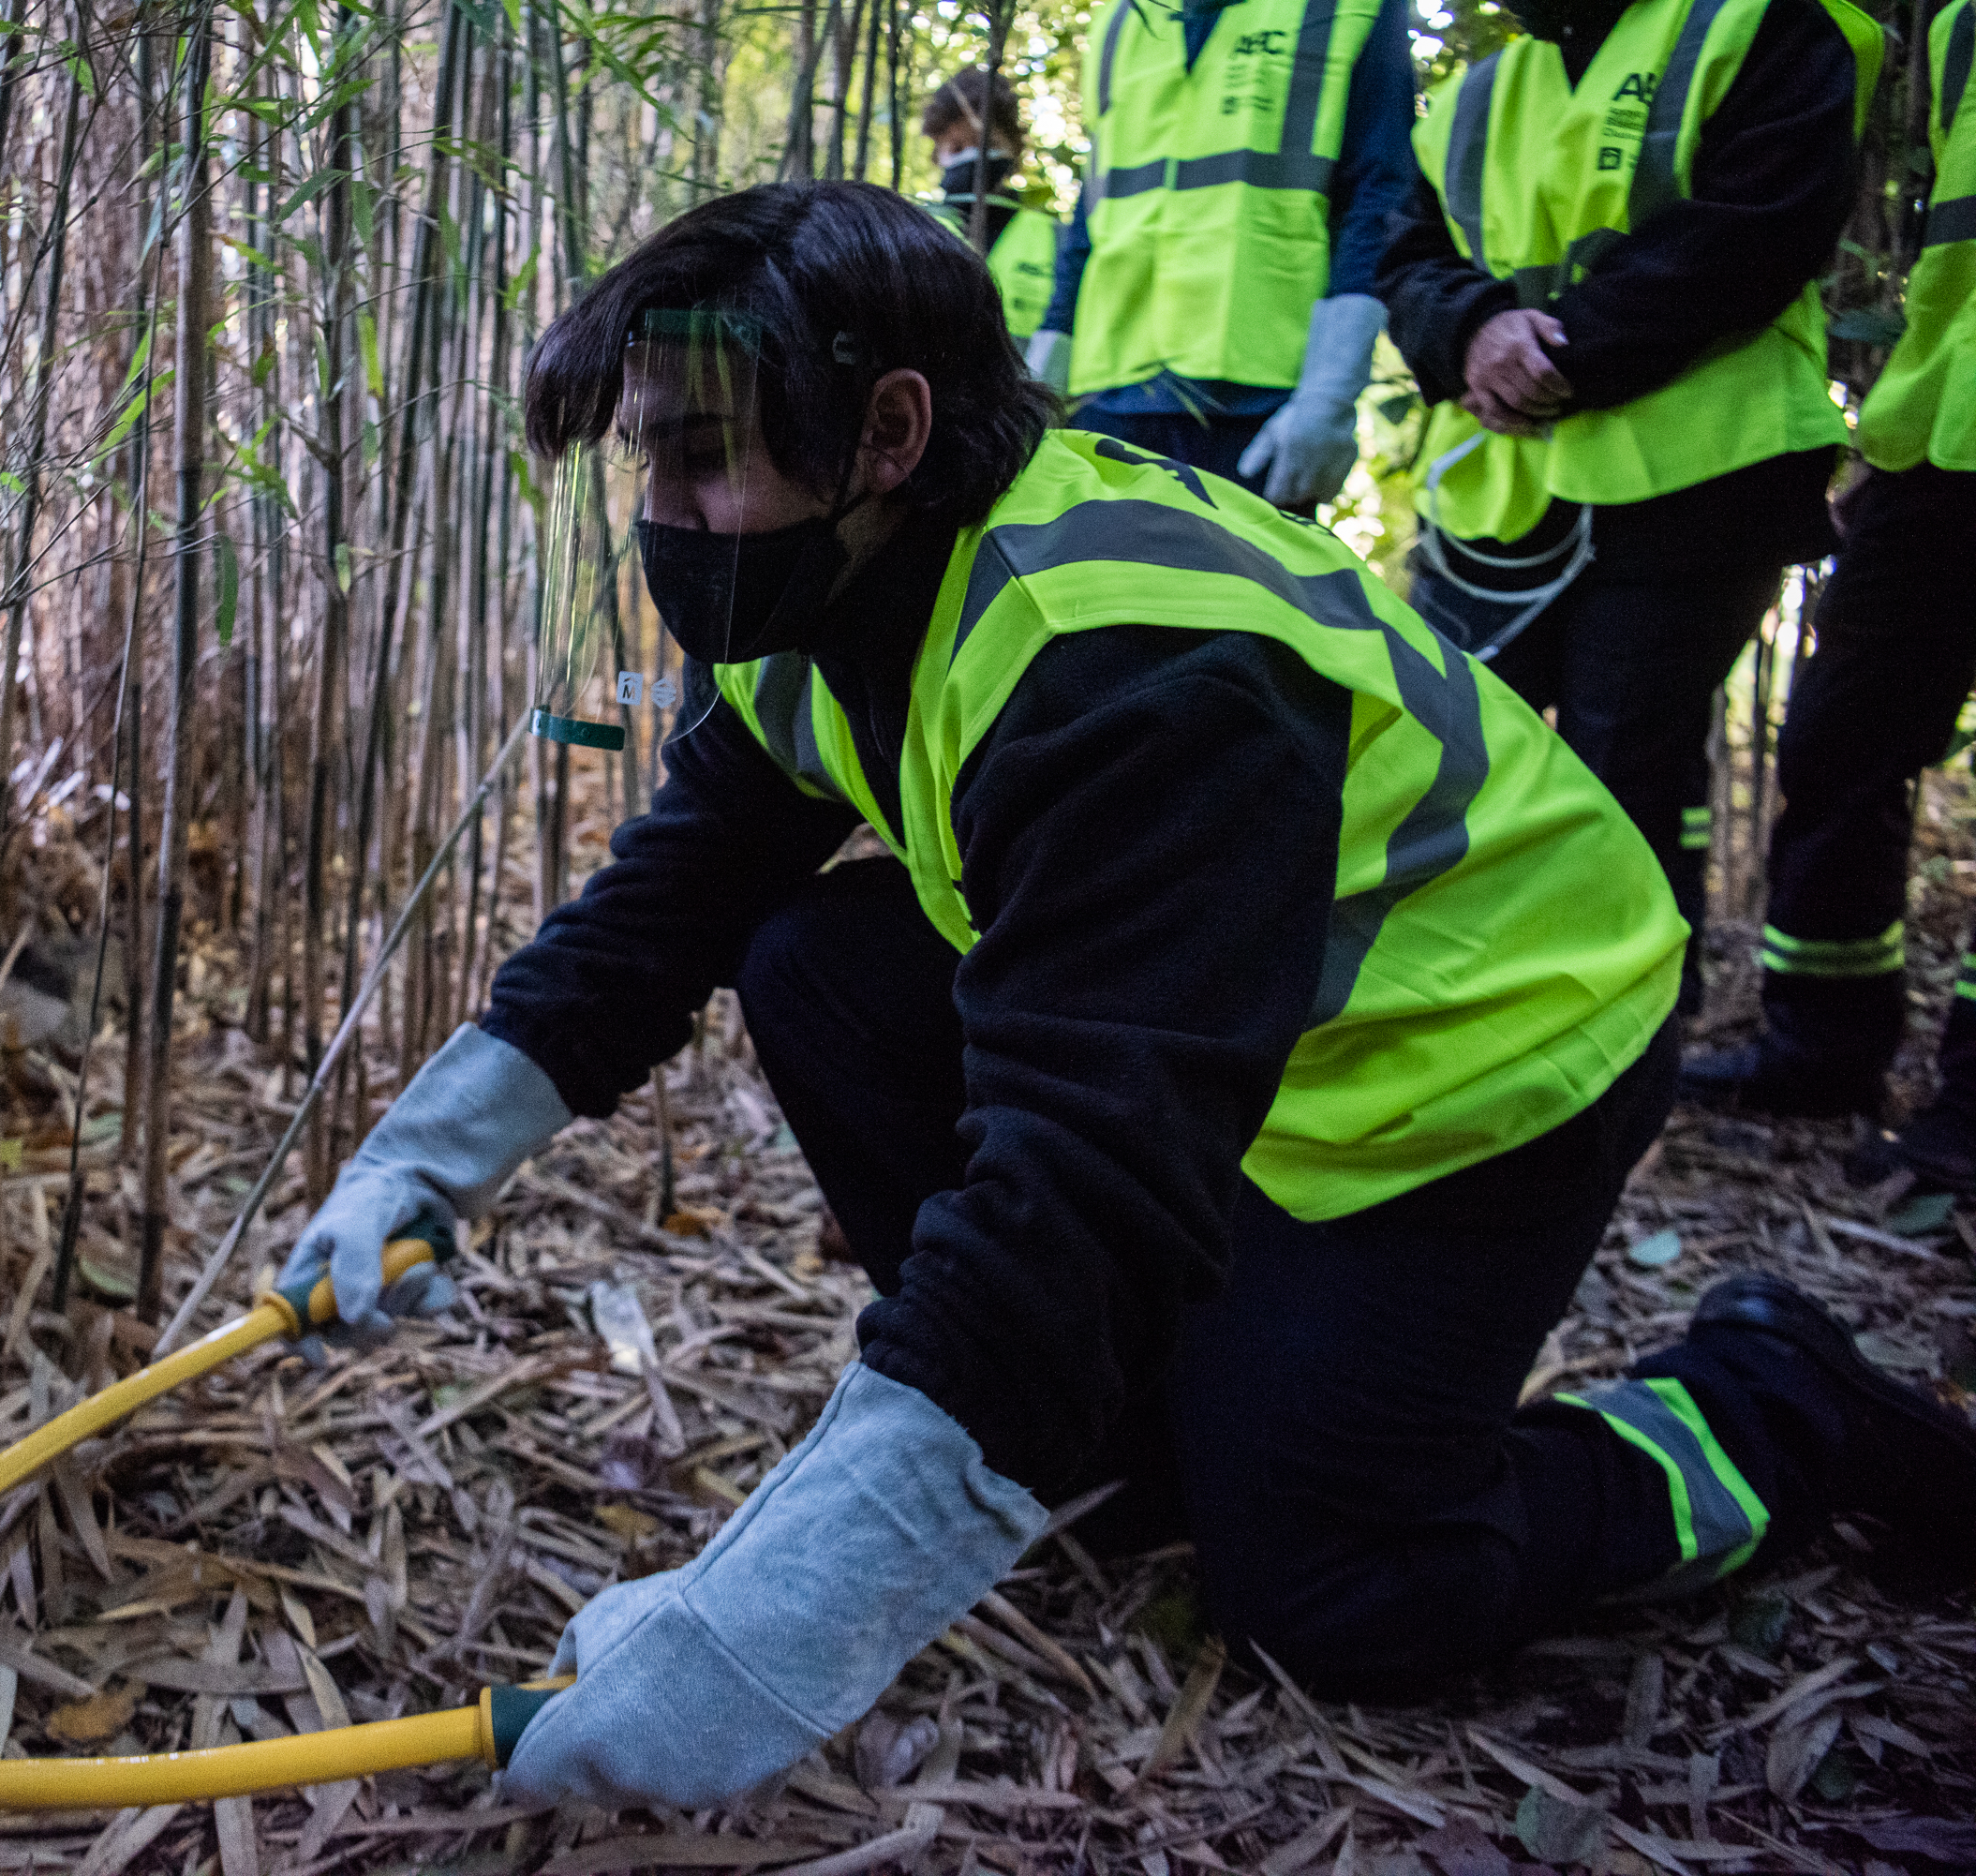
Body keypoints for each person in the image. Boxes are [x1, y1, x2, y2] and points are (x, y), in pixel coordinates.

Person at [272, 183, 1976, 1813]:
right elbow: (677, 891)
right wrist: (424, 1158)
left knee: (1341, 1594)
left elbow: (1076, 1194)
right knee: (809, 962)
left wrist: (759, 1640)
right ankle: (1110, 1445)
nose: (665, 518)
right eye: (651, 459)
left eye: (704, 459)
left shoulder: (1133, 664)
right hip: (1237, 1042)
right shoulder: (845, 580)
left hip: (1483, 1050)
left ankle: (1772, 1400)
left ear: (889, 432)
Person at [1380, 0, 1875, 1012]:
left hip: (1695, 475)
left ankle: (1628, 1022)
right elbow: (1408, 256)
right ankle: (1464, 1008)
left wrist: (1553, 355)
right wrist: (1474, 331)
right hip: (1498, 496)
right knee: (1445, 762)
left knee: (1628, 767)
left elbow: (1763, 224)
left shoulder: (1760, 27)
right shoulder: (1481, 93)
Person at [1681, 0, 1976, 1158]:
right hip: (1937, 439)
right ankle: (1820, 1052)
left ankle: (1964, 1116)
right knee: (1840, 742)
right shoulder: (1956, 29)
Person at [1033, 0, 1416, 509]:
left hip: (1262, 407)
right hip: (1108, 399)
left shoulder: (1351, 8)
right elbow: (1093, 215)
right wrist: (1035, 394)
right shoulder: (1118, 23)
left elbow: (1379, 199)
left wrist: (1329, 393)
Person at [919, 67, 1056, 367]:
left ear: (1015, 149)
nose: (973, 159)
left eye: (987, 147)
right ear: (936, 153)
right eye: (957, 148)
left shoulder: (1058, 240)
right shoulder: (913, 237)